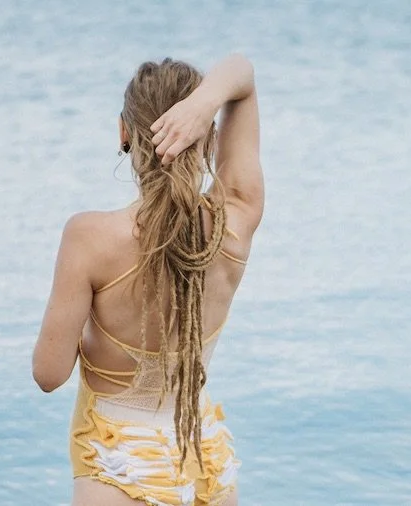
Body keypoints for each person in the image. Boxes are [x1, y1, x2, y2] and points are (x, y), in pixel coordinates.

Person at [31, 53, 263, 506]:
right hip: (205, 463)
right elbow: (243, 73)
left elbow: (49, 373)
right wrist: (206, 103)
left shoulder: (89, 237)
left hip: (118, 467)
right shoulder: (234, 221)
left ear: (123, 132)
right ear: (209, 137)